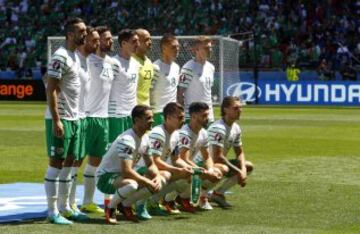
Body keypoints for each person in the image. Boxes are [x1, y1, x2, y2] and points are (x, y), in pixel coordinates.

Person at [44, 17, 88, 225]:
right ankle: (52, 211)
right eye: (82, 31)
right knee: (56, 164)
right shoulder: (60, 55)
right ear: (70, 34)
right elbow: (50, 87)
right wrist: (56, 120)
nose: (85, 35)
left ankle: (65, 207)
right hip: (61, 118)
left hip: (75, 117)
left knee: (70, 164)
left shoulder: (75, 56)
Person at [95, 105, 163, 224]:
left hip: (122, 176)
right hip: (105, 177)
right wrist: (147, 181)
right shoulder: (127, 139)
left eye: (152, 117)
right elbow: (126, 170)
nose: (152, 121)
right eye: (148, 118)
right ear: (137, 120)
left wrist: (157, 177)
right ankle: (110, 208)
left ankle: (125, 205)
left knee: (158, 181)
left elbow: (151, 165)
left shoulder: (145, 138)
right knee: (132, 185)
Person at [80, 26, 119, 214]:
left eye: (111, 39)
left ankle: (87, 201)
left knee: (96, 162)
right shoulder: (86, 60)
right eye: (106, 39)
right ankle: (69, 204)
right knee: (75, 161)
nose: (110, 42)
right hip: (86, 117)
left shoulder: (112, 63)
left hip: (104, 119)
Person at [136, 102, 193, 219]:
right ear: (168, 118)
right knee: (166, 174)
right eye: (180, 117)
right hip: (142, 170)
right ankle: (138, 203)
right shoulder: (158, 133)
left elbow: (176, 159)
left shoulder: (176, 134)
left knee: (187, 175)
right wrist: (177, 169)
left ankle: (154, 203)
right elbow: (154, 161)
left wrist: (190, 168)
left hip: (155, 169)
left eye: (183, 117)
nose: (183, 120)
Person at [69, 26, 100, 212]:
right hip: (74, 117)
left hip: (84, 117)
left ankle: (77, 203)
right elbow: (49, 80)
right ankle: (68, 203)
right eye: (93, 40)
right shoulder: (73, 59)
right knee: (71, 164)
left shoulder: (88, 61)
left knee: (75, 163)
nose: (97, 44)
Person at [174, 102, 222, 211]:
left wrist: (210, 169)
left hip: (190, 165)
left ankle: (201, 196)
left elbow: (207, 157)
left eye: (207, 115)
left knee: (219, 171)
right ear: (193, 116)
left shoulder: (203, 133)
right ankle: (177, 198)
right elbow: (183, 158)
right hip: (178, 166)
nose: (207, 119)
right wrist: (203, 171)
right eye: (204, 116)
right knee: (192, 173)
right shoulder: (185, 133)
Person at [208, 96, 254, 208]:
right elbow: (217, 156)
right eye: (236, 108)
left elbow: (239, 153)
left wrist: (242, 170)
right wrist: (239, 171)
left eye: (240, 108)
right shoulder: (218, 128)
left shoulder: (236, 128)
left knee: (248, 166)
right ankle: (200, 193)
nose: (240, 111)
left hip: (217, 164)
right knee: (224, 168)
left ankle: (218, 193)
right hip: (205, 165)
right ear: (225, 110)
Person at [108, 29, 140, 143]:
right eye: (134, 41)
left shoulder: (136, 64)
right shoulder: (113, 63)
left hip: (132, 115)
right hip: (116, 115)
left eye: (138, 41)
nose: (138, 44)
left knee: (131, 151)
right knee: (114, 153)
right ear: (123, 44)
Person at [177, 36, 215, 124]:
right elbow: (179, 93)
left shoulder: (211, 67)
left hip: (209, 116)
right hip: (192, 117)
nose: (209, 50)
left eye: (210, 48)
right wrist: (181, 114)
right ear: (196, 50)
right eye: (206, 48)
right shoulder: (188, 68)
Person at [150, 34, 180, 126]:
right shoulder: (155, 67)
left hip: (173, 113)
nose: (177, 49)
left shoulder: (176, 67)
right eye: (173, 47)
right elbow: (149, 91)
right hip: (159, 114)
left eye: (178, 46)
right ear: (164, 48)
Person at [133, 28, 154, 106]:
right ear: (136, 42)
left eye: (150, 39)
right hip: (133, 109)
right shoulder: (130, 62)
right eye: (146, 40)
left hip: (146, 108)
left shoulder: (149, 62)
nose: (150, 42)